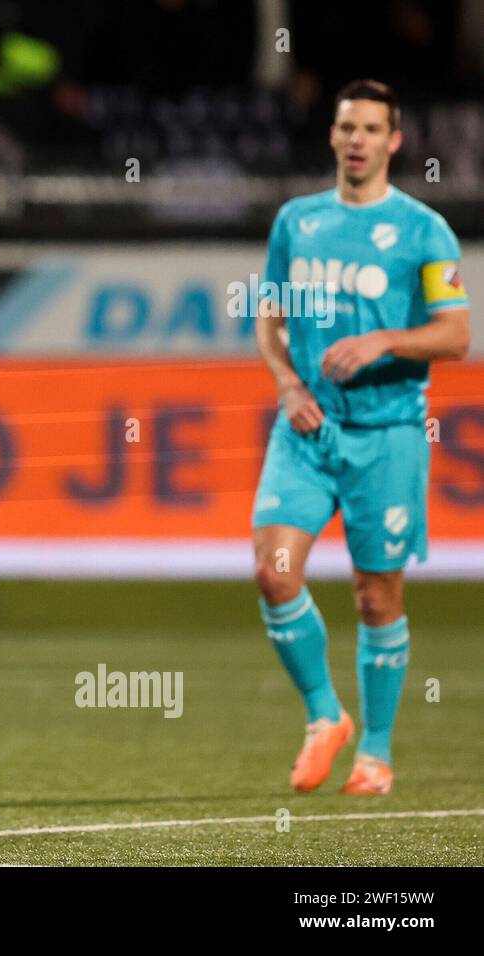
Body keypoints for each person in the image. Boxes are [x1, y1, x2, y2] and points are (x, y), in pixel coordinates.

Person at [252, 79, 470, 795]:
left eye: (372, 129)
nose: (357, 140)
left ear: (394, 141)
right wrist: (286, 381)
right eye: (348, 127)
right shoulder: (297, 221)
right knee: (274, 574)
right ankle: (325, 716)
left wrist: (383, 340)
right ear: (333, 136)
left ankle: (375, 751)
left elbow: (455, 334)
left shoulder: (423, 230)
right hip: (307, 428)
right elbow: (269, 317)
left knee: (376, 598)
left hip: (388, 435)